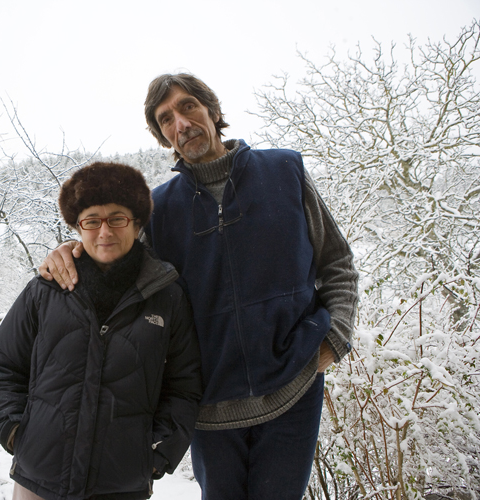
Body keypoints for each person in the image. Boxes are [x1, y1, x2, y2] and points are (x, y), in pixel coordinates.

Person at [39, 74, 359, 500]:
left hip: (293, 390)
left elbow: (337, 263)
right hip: (209, 406)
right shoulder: (160, 210)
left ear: (213, 111)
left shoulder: (284, 171)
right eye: (166, 118)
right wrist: (69, 252)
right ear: (162, 135)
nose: (181, 123)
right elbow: (117, 274)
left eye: (188, 107)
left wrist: (334, 340)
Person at [0, 161, 203, 500]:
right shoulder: (46, 289)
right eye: (92, 221)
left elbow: (185, 385)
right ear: (78, 226)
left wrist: (157, 452)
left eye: (117, 218)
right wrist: (14, 431)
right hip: (39, 478)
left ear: (136, 223)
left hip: (121, 483)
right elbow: (5, 363)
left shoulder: (167, 297)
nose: (105, 232)